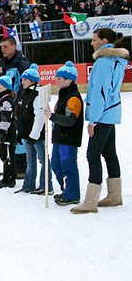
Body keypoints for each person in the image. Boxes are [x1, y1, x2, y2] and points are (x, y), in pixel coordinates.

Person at [71, 28, 127, 214]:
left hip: (102, 115)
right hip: (110, 113)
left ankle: (90, 201)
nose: (91, 43)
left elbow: (100, 92)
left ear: (104, 41)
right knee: (109, 153)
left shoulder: (103, 62)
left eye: (94, 40)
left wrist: (93, 120)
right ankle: (114, 195)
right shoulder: (117, 60)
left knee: (92, 155)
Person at [44, 62, 84, 206]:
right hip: (59, 137)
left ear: (70, 80)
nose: (56, 80)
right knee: (56, 164)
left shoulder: (73, 98)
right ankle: (66, 191)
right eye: (57, 77)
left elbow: (70, 120)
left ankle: (72, 194)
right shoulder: (64, 95)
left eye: (60, 78)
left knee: (68, 165)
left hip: (68, 139)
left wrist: (52, 116)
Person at [14, 64, 54, 195]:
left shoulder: (37, 95)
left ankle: (46, 185)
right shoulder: (24, 94)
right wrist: (20, 134)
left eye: (25, 80)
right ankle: (28, 185)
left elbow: (40, 116)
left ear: (32, 81)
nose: (22, 82)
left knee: (42, 159)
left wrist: (34, 135)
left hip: (36, 135)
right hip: (26, 134)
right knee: (30, 161)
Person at [0, 36, 30, 178]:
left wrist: (20, 103)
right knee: (9, 135)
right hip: (6, 104)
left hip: (17, 105)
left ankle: (22, 167)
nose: (3, 49)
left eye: (5, 46)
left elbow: (25, 85)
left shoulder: (21, 63)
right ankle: (12, 166)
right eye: (2, 47)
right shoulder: (4, 64)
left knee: (18, 137)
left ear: (13, 46)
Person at [0, 73, 17, 188]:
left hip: (7, 135)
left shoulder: (6, 101)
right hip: (4, 134)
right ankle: (8, 175)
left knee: (7, 155)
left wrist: (0, 135)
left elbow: (6, 120)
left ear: (6, 87)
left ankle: (9, 178)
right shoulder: (2, 98)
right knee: (4, 155)